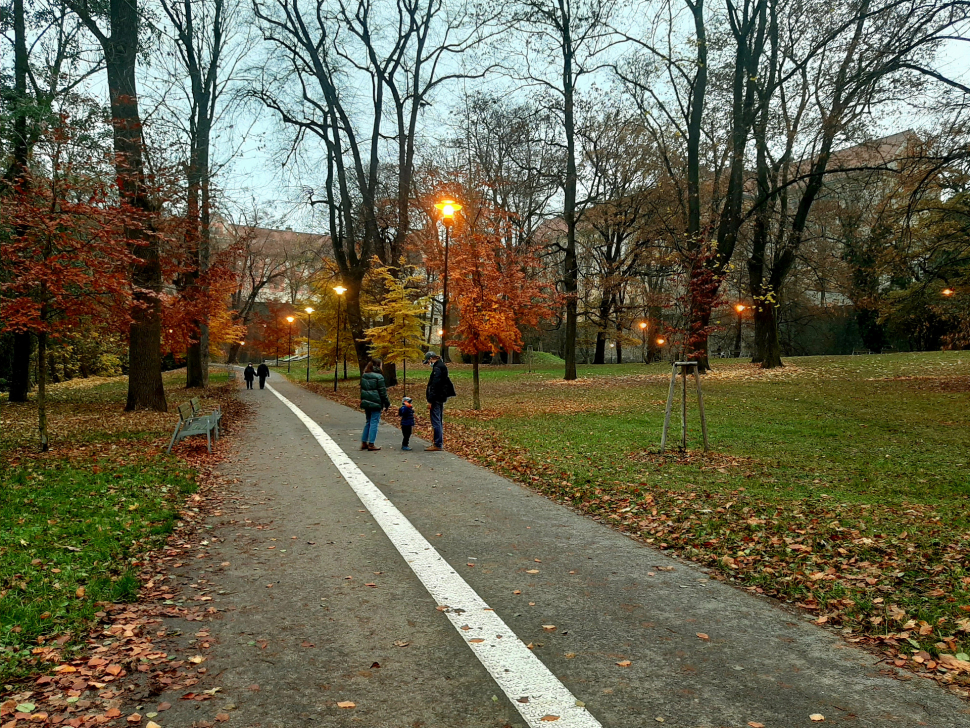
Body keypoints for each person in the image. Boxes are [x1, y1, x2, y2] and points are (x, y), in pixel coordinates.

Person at [424, 351, 455, 451]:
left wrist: (430, 400)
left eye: (428, 362)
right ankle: (438, 442)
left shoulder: (437, 368)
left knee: (436, 420)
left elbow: (434, 386)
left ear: (431, 359)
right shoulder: (441, 366)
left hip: (436, 398)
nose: (429, 364)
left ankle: (437, 443)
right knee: (438, 419)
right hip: (440, 397)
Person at [359, 359, 390, 451]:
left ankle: (364, 442)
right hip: (376, 402)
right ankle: (371, 444)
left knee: (368, 421)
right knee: (374, 422)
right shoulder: (379, 377)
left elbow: (362, 389)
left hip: (366, 402)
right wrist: (387, 403)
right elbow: (382, 392)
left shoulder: (364, 375)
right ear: (378, 366)